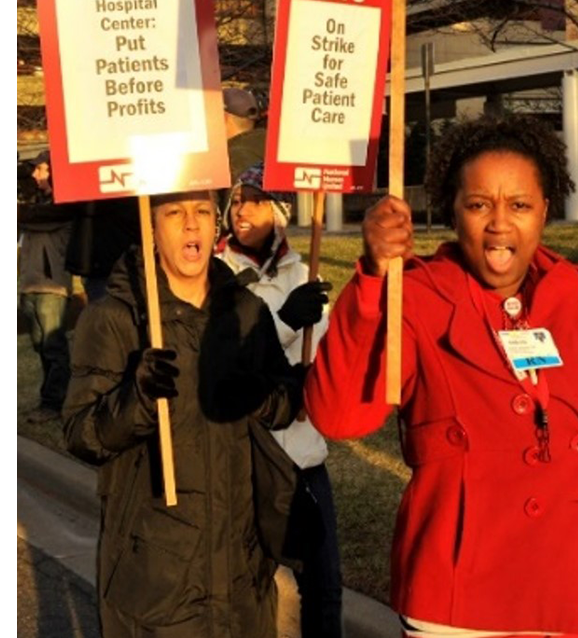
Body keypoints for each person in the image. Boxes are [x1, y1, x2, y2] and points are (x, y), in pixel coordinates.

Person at [306, 113, 578, 636]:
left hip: (571, 587)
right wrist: (371, 280)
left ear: (545, 209)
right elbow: (337, 414)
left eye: (519, 205)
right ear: (453, 211)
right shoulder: (416, 295)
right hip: (460, 601)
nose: (500, 223)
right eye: (479, 205)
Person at [62, 188, 306, 638]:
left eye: (201, 212)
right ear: (151, 230)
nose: (191, 224)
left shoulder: (245, 310)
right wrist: (134, 402)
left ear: (217, 224)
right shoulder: (116, 318)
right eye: (174, 213)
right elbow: (81, 433)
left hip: (242, 574)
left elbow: (287, 402)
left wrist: (259, 393)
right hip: (158, 583)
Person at [215, 161, 343, 638]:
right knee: (250, 586)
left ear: (280, 211)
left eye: (252, 198)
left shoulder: (302, 269)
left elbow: (324, 348)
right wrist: (285, 323)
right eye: (234, 201)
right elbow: (229, 356)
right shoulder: (217, 275)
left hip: (305, 454)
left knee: (325, 584)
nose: (239, 209)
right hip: (250, 455)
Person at [18, 150, 77, 421]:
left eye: (40, 169)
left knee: (54, 347)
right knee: (41, 346)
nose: (34, 175)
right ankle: (49, 398)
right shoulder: (35, 204)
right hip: (31, 284)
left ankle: (55, 403)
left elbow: (33, 217)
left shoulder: (63, 204)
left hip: (52, 286)